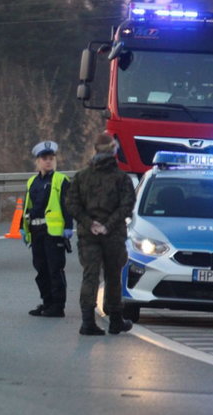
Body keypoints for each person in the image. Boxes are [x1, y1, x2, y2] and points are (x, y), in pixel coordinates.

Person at [68, 132, 136, 335]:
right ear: (114, 150)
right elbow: (127, 205)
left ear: (95, 150)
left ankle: (87, 321)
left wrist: (90, 224)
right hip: (113, 234)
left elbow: (72, 204)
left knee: (90, 276)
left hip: (89, 235)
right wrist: (108, 225)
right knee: (113, 276)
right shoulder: (121, 178)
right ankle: (115, 320)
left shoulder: (81, 177)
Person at [19, 141, 74, 318]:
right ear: (38, 161)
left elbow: (68, 206)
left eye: (51, 158)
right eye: (45, 159)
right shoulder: (32, 182)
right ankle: (47, 302)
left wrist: (68, 226)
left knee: (55, 270)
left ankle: (58, 306)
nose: (48, 162)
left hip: (53, 233)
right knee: (41, 270)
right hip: (36, 231)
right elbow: (28, 207)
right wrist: (23, 228)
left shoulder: (61, 180)